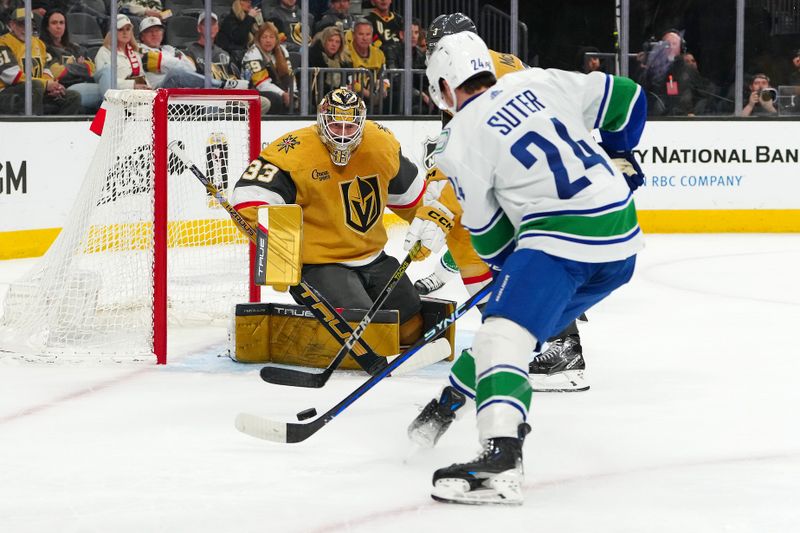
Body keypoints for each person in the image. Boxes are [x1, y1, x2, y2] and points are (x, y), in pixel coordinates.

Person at [410, 31, 646, 505]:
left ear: (443, 86)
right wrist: (621, 152)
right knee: (515, 337)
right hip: (620, 239)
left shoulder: (460, 138)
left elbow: (492, 237)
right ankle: (448, 404)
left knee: (502, 332)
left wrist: (510, 279)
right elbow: (628, 96)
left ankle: (499, 460)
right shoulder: (537, 81)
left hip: (562, 239)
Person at [411, 14, 591, 392]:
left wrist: (439, 205)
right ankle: (512, 333)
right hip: (538, 162)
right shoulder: (482, 62)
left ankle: (562, 350)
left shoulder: (475, 74)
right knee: (471, 238)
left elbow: (473, 150)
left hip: (542, 172)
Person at [230, 87, 428, 346]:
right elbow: (248, 201)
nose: (343, 135)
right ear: (322, 121)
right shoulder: (292, 151)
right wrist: (279, 256)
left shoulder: (381, 144)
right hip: (320, 264)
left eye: (350, 127)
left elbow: (412, 196)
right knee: (366, 335)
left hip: (373, 258)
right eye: (336, 126)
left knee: (411, 328)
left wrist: (426, 224)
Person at [0, 6, 81, 115]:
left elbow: (46, 69)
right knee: (35, 85)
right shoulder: (3, 43)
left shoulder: (38, 43)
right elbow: (13, 76)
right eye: (21, 24)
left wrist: (53, 86)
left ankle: (60, 131)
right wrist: (46, 84)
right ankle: (33, 127)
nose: (25, 28)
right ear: (12, 25)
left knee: (73, 96)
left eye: (29, 24)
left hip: (36, 90)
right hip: (6, 93)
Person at [184, 12, 267, 114]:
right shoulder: (189, 51)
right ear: (199, 28)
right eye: (206, 24)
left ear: (217, 28)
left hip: (228, 96)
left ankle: (241, 127)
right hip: (204, 98)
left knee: (263, 103)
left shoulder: (224, 54)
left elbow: (235, 79)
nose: (210, 27)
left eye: (213, 24)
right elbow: (189, 80)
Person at [138, 16, 247, 90]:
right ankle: (221, 84)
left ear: (162, 33)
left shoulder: (169, 49)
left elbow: (190, 67)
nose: (154, 34)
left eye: (157, 30)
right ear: (142, 37)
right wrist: (176, 64)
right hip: (157, 90)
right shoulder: (140, 50)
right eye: (149, 31)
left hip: (177, 90)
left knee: (208, 96)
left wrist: (166, 63)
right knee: (175, 73)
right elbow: (178, 70)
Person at [40, 8, 102, 112]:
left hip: (84, 85)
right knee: (111, 92)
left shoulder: (74, 47)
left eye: (61, 23)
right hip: (66, 90)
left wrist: (69, 66)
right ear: (47, 26)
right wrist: (80, 66)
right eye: (54, 23)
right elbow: (56, 72)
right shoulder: (43, 47)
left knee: (107, 75)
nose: (58, 26)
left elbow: (92, 68)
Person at [241, 22, 295, 114]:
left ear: (276, 39)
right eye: (264, 37)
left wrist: (292, 92)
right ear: (259, 39)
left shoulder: (282, 51)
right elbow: (261, 84)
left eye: (271, 37)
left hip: (277, 88)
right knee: (276, 99)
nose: (268, 40)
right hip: (254, 91)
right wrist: (282, 93)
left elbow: (289, 75)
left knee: (303, 98)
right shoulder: (253, 53)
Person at [95, 14, 149, 93]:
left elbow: (142, 76)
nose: (125, 32)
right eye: (120, 29)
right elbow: (106, 81)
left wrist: (148, 87)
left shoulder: (135, 53)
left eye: (128, 29)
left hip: (134, 93)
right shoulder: (104, 52)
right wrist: (132, 85)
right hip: (114, 93)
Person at [346, 18, 387, 106]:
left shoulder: (379, 53)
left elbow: (383, 76)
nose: (364, 38)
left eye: (368, 34)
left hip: (375, 95)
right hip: (354, 98)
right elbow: (349, 81)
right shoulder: (346, 53)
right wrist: (369, 95)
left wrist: (383, 88)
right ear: (353, 35)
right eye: (360, 34)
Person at [308, 25, 352, 97]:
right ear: (324, 41)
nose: (334, 44)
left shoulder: (343, 60)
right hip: (316, 97)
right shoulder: (313, 56)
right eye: (330, 40)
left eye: (337, 42)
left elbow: (346, 81)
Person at [217, 0, 263, 66]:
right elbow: (239, 39)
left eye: (250, 1)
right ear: (238, 3)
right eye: (246, 1)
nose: (249, 3)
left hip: (248, 58)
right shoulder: (229, 19)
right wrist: (249, 18)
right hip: (233, 59)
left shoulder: (249, 20)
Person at [364, 0, 402, 68]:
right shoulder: (366, 21)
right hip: (375, 65)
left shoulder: (400, 20)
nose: (383, 0)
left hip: (398, 64)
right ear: (372, 1)